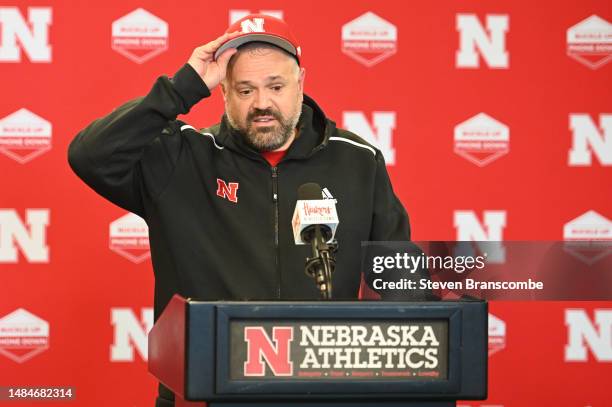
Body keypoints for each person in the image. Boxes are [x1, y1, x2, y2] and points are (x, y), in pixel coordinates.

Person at [68, 14, 411, 406]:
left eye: (276, 86)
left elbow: (399, 278)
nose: (262, 103)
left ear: (301, 83)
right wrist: (181, 88)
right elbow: (89, 156)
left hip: (323, 393)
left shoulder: (357, 161)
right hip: (205, 393)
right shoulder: (183, 159)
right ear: (223, 92)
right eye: (245, 90)